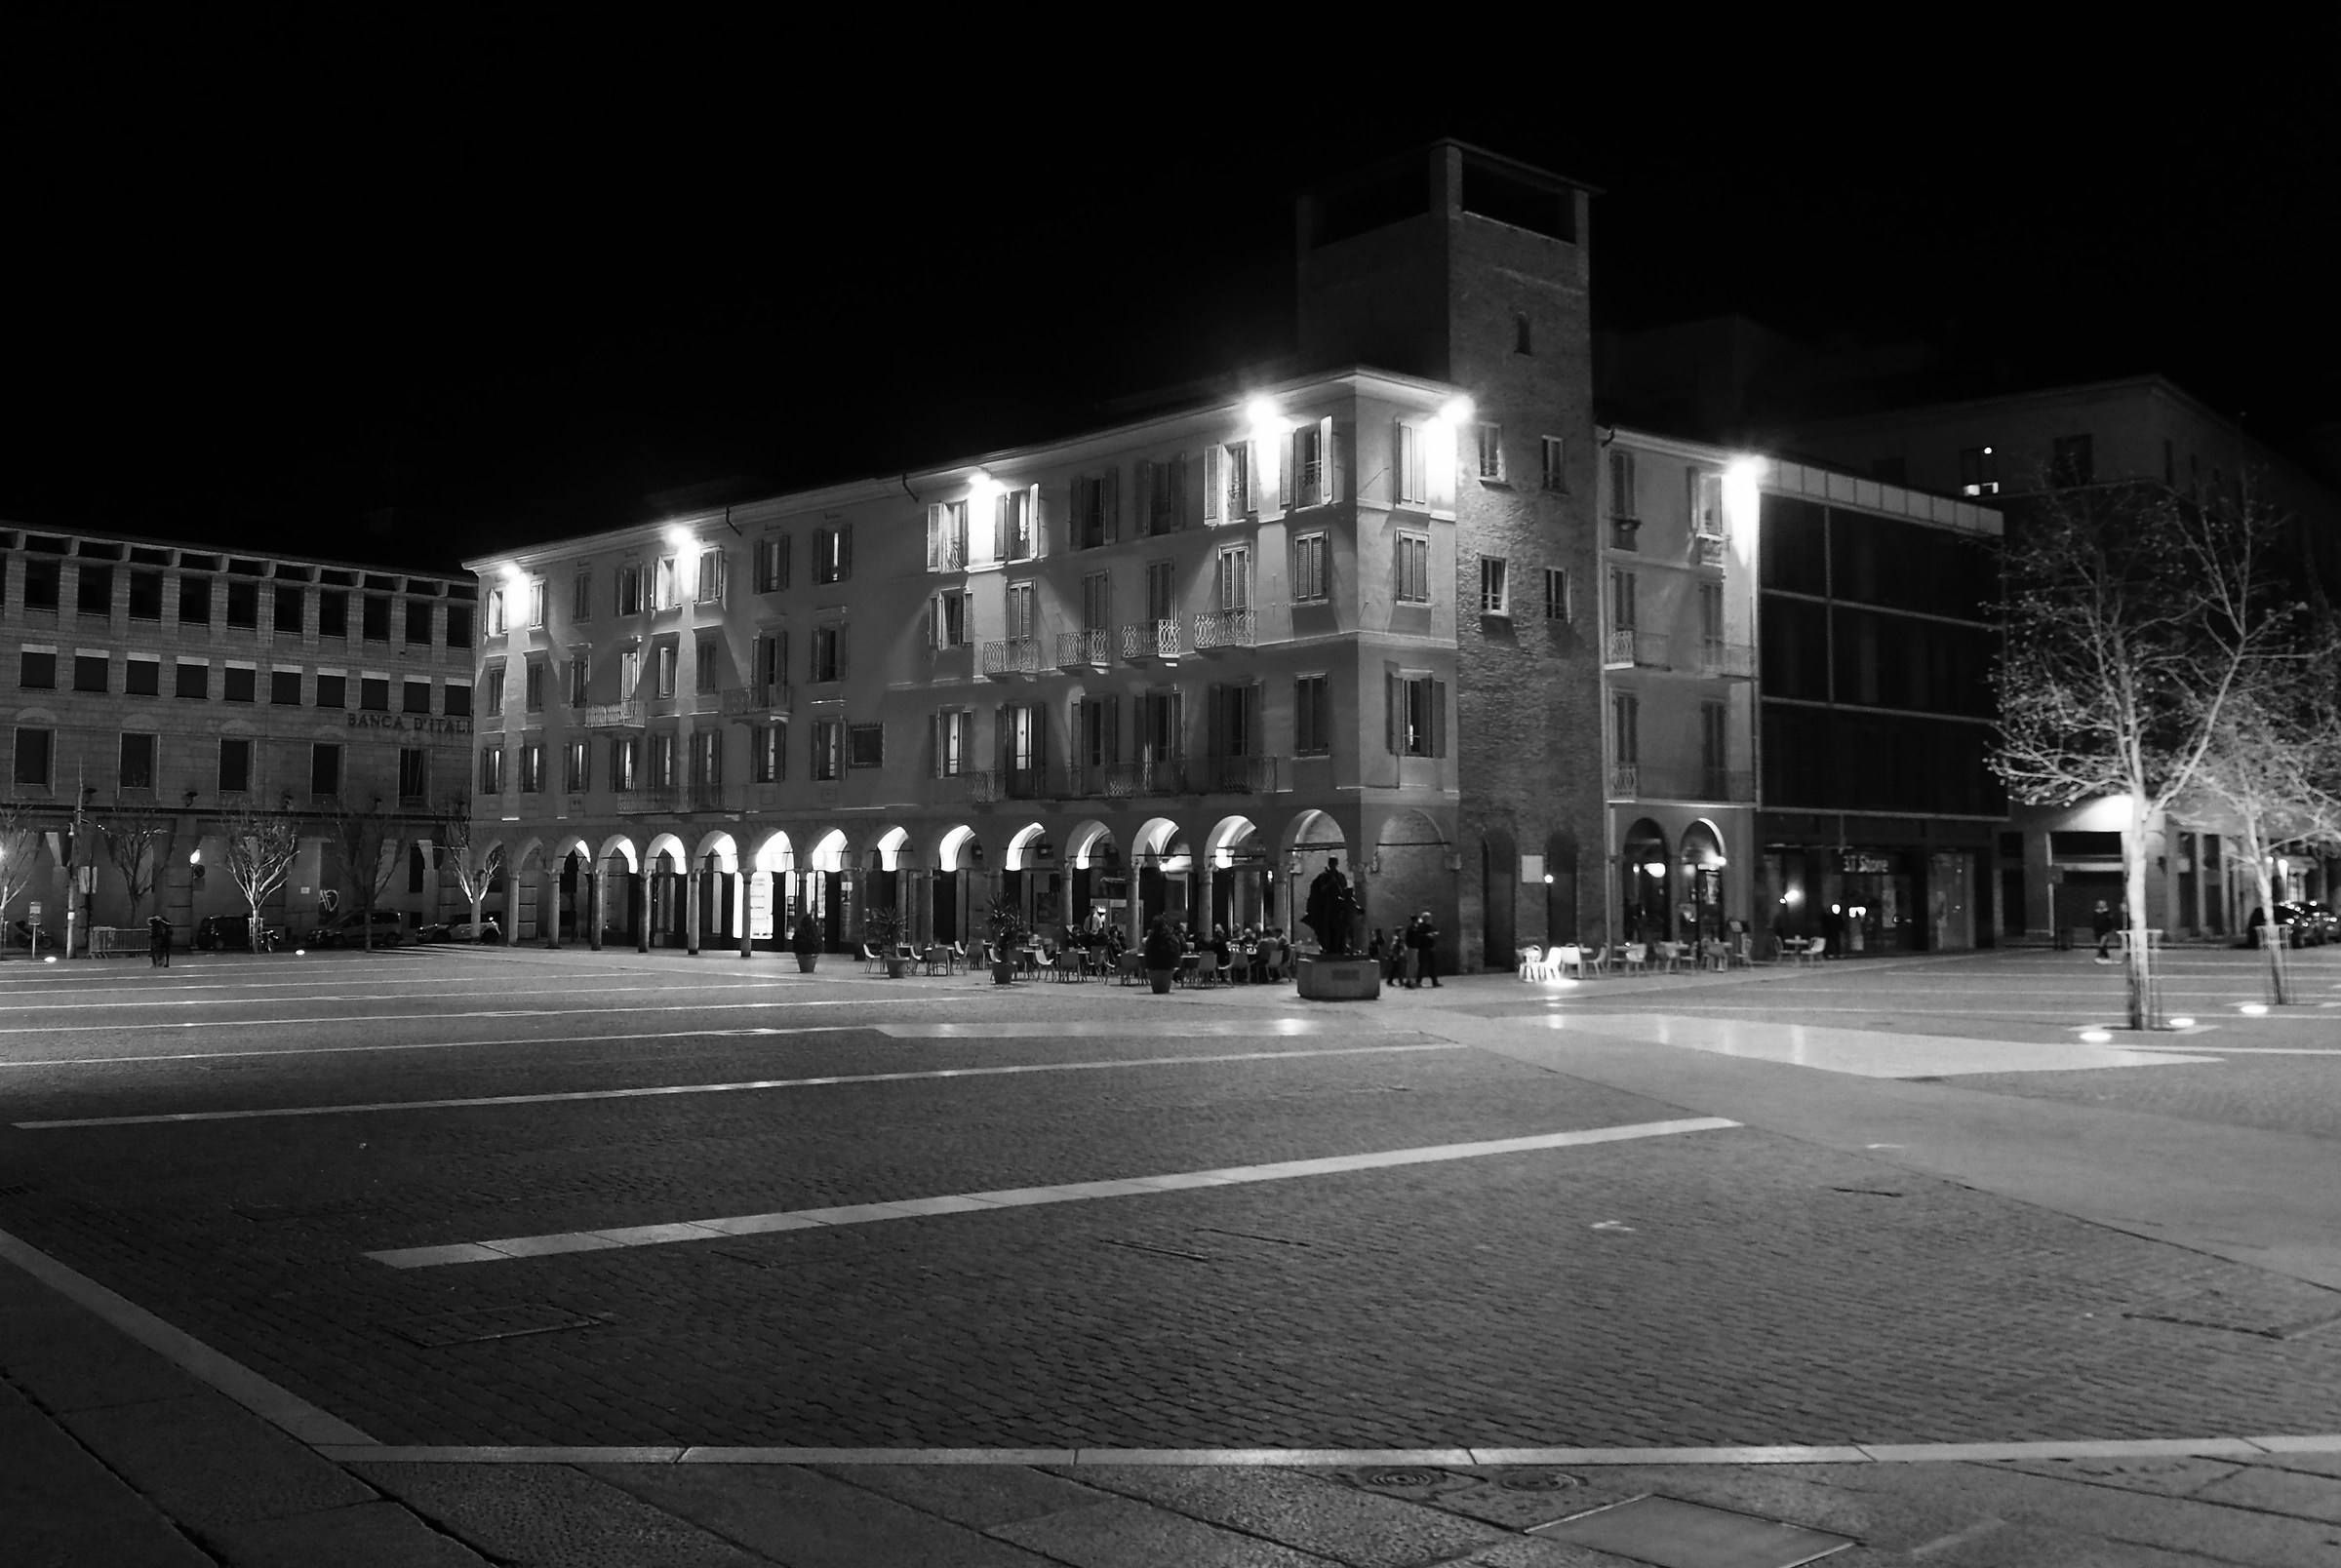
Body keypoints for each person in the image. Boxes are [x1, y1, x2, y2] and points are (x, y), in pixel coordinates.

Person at [1304, 856, 1358, 956]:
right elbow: (1321, 890)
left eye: (1334, 863)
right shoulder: (1323, 876)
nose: (1332, 865)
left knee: (1343, 926)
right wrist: (1330, 883)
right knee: (1327, 925)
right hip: (1328, 904)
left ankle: (1342, 946)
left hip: (1340, 904)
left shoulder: (1340, 876)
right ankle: (1328, 946)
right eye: (1331, 863)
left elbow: (1344, 888)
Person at [1409, 910, 1442, 987]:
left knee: (1432, 965)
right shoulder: (1420, 926)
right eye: (1428, 918)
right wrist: (1427, 935)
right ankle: (1418, 982)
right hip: (1423, 948)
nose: (1429, 919)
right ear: (1425, 918)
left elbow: (1435, 931)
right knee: (1422, 966)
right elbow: (1418, 936)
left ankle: (1434, 982)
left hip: (1430, 948)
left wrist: (1435, 934)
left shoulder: (1430, 926)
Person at [2091, 898, 2116, 962]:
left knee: (2102, 942)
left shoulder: (2107, 912)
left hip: (2106, 931)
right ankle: (2105, 956)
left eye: (2103, 904)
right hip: (2098, 931)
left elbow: (2110, 921)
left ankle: (2099, 955)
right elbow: (2094, 921)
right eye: (2100, 904)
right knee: (2102, 943)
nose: (2101, 905)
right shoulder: (2095, 912)